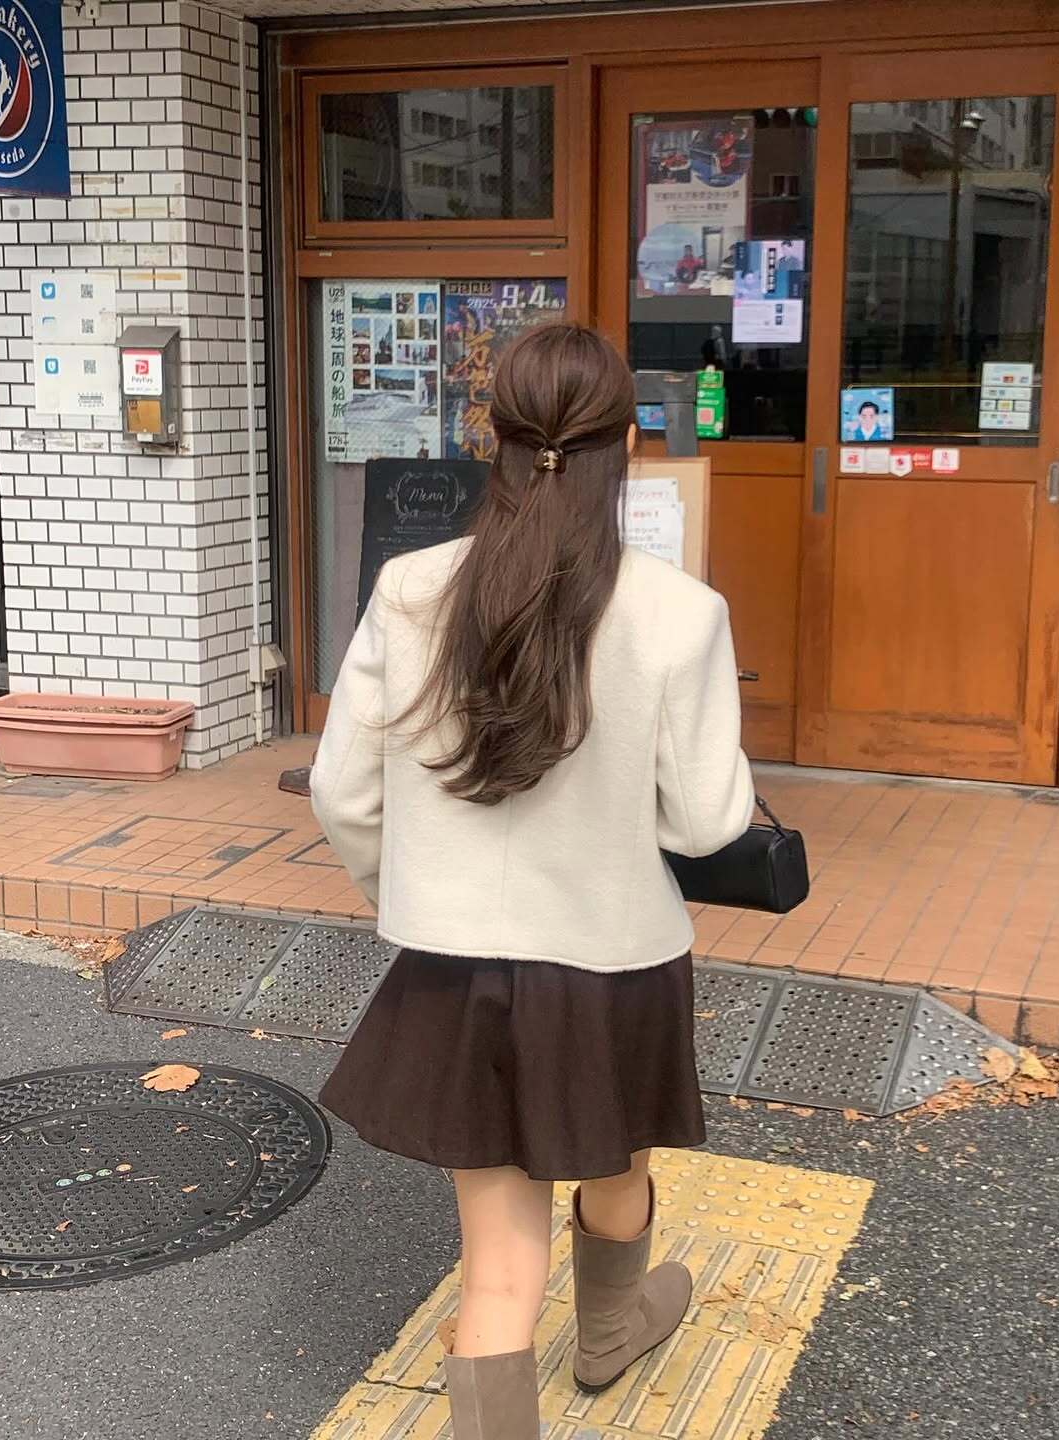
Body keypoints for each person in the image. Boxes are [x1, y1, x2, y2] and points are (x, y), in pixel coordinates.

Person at [311, 323, 754, 1438]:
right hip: (615, 960)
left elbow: (342, 791)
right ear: (627, 446)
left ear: (492, 438)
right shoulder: (680, 613)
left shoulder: (411, 589)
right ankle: (611, 1331)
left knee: (498, 1265)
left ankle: (576, 1354)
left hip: (456, 966)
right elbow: (708, 821)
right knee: (616, 1164)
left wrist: (410, 892)